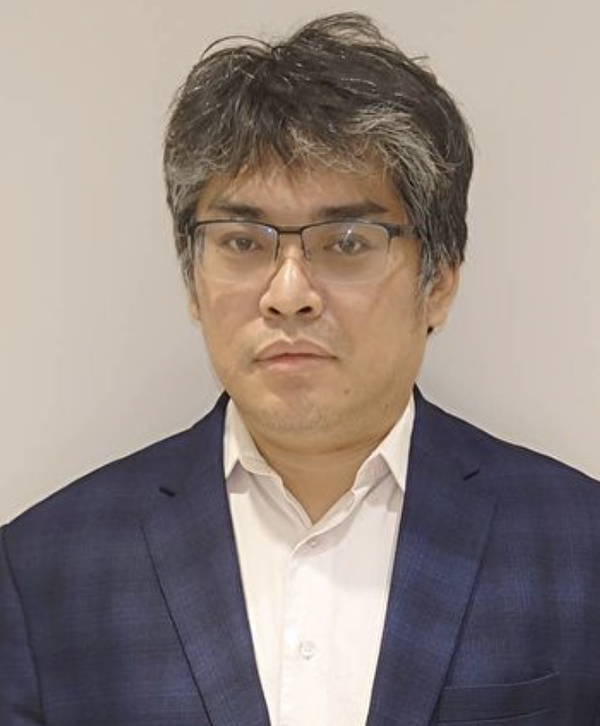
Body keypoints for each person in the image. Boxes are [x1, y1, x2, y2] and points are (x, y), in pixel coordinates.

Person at [1, 11, 599, 726]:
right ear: (192, 280)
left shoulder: (578, 548)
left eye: (346, 242)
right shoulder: (43, 570)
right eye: (242, 241)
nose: (288, 294)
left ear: (439, 281)